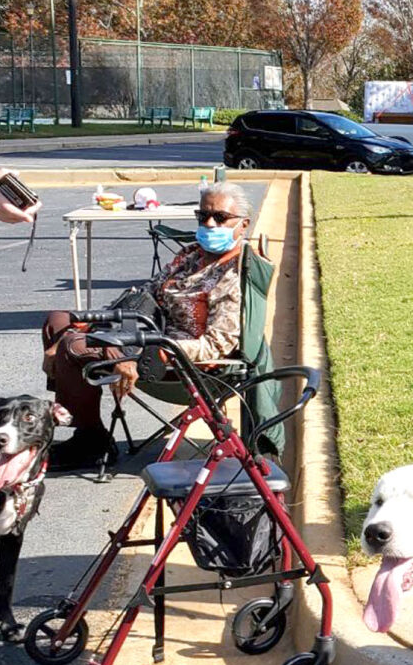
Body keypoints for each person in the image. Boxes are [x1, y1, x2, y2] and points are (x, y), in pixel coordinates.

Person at [40, 181, 254, 471]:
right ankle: (84, 425)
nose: (210, 223)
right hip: (146, 331)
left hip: (175, 359)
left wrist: (157, 349)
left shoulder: (234, 272)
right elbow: (146, 294)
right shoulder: (190, 255)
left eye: (220, 217)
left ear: (243, 224)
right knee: (58, 322)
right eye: (203, 216)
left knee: (72, 346)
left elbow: (217, 345)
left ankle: (90, 441)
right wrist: (91, 330)